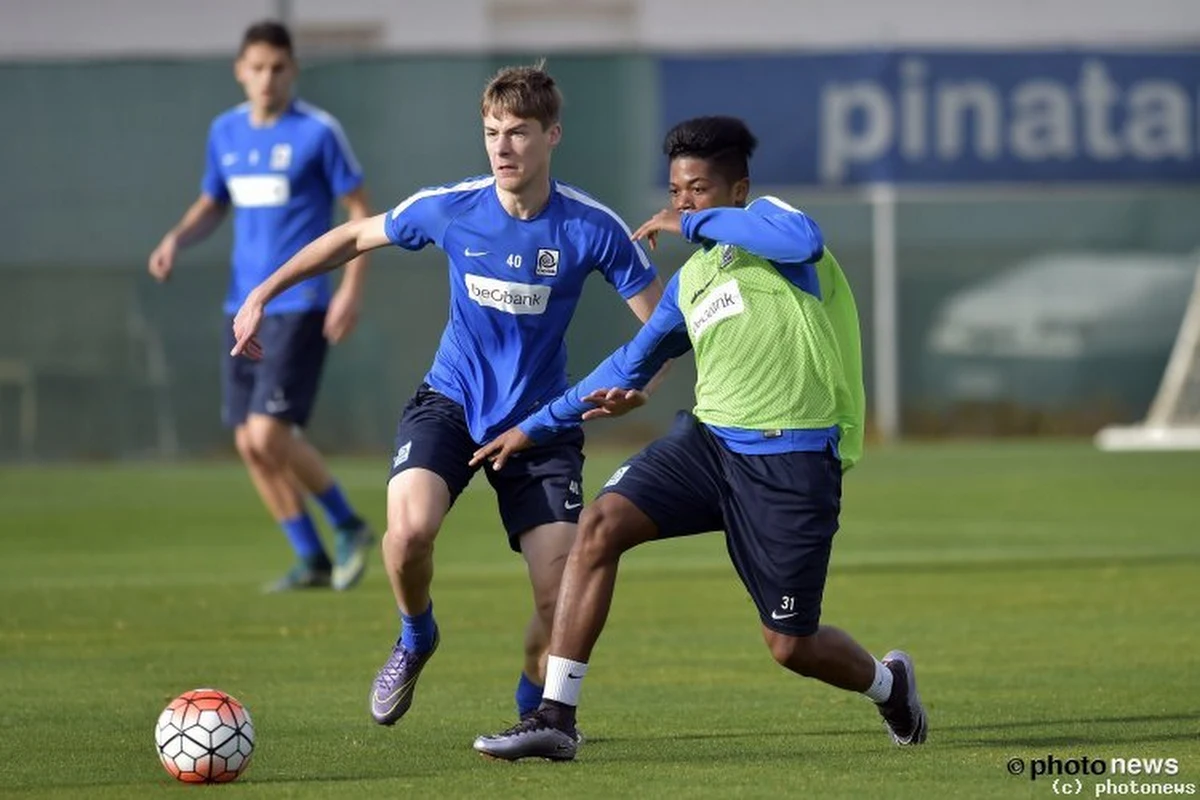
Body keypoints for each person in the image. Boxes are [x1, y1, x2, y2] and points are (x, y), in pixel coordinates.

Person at [469, 115, 928, 761]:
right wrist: (533, 425)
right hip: (708, 446)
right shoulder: (692, 282)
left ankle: (888, 684)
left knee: (790, 646)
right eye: (676, 191)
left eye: (699, 190)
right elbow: (630, 364)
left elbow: (805, 237)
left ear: (737, 191)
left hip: (791, 458)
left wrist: (685, 223)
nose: (682, 203)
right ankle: (555, 716)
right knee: (599, 525)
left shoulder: (777, 232)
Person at [228, 63, 664, 727]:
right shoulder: (454, 207)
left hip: (542, 429)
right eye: (492, 132)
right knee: (406, 537)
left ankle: (532, 710)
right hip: (451, 404)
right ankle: (415, 636)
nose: (502, 147)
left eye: (518, 133)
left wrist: (639, 388)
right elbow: (350, 236)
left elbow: (660, 327)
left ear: (553, 135)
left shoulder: (592, 227)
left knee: (558, 604)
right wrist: (264, 292)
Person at [147, 20, 375, 593]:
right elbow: (211, 202)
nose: (267, 78)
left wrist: (350, 288)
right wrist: (175, 238)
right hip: (242, 305)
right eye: (257, 67)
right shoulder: (224, 133)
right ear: (240, 71)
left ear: (292, 70)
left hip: (299, 303)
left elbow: (359, 213)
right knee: (250, 442)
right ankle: (311, 558)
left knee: (269, 434)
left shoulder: (318, 133)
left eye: (278, 67)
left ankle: (349, 525)